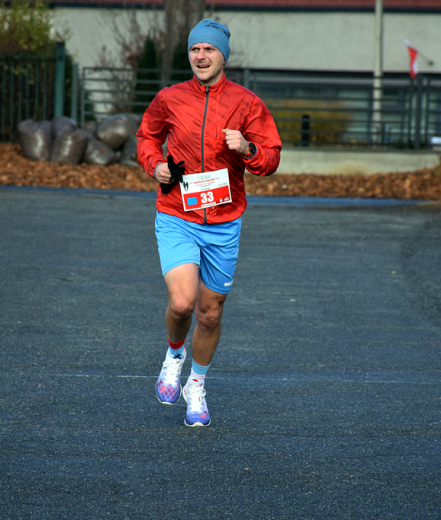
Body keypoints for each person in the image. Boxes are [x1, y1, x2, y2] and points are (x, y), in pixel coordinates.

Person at [136, 19, 282, 427]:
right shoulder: (170, 98)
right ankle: (173, 354)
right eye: (195, 49)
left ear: (223, 56)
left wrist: (248, 147)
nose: (201, 56)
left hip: (223, 221)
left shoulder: (247, 103)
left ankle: (196, 385)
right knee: (182, 302)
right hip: (177, 214)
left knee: (210, 313)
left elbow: (270, 158)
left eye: (209, 50)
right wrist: (155, 164)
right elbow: (146, 137)